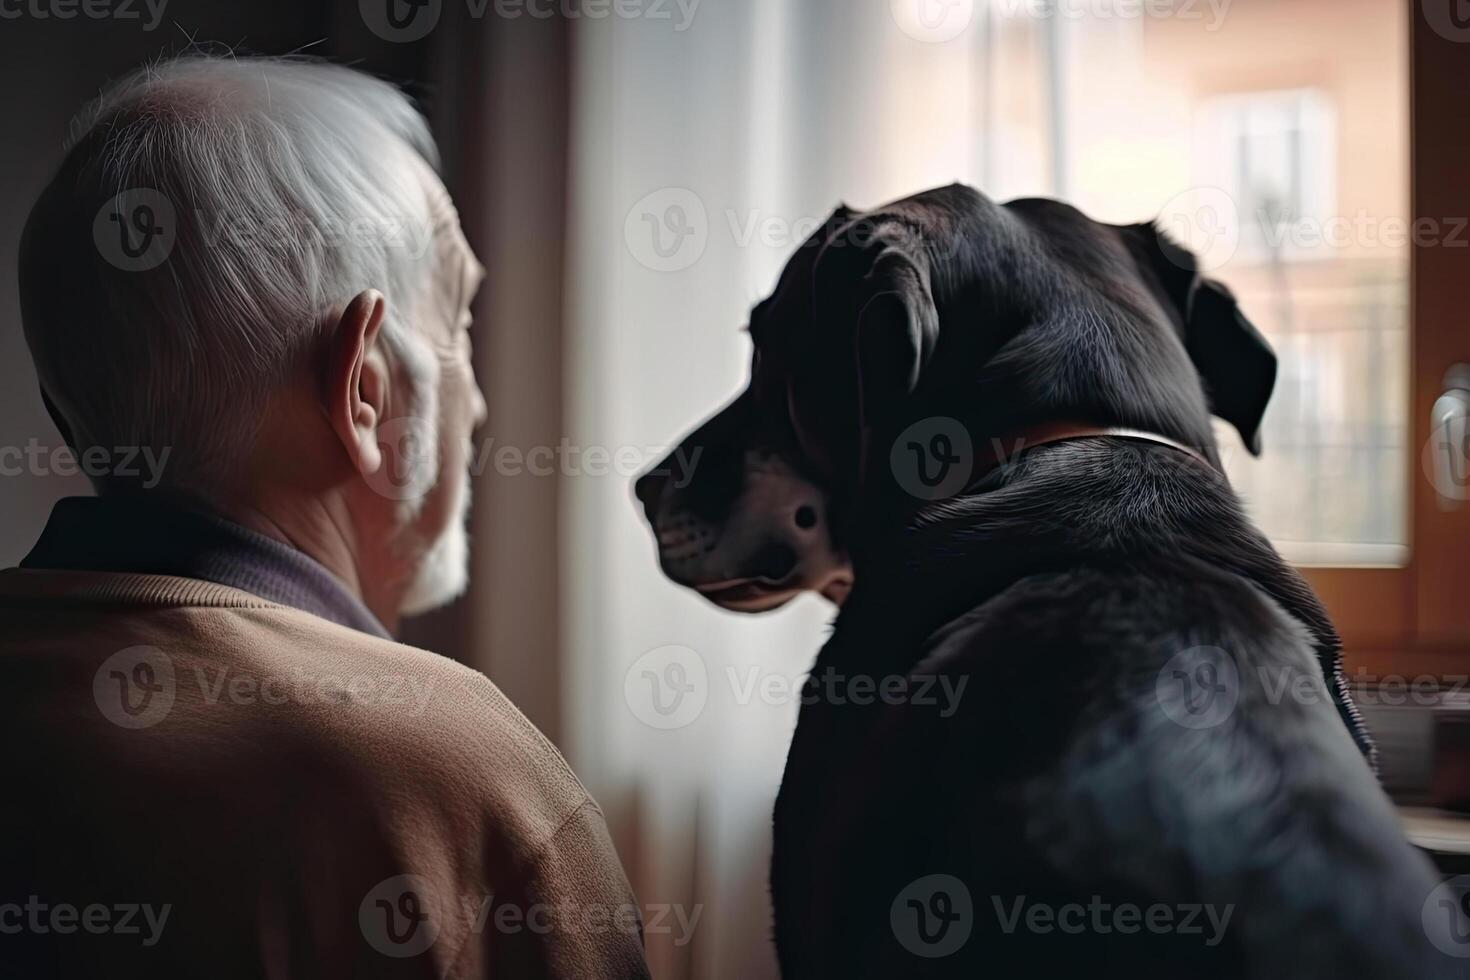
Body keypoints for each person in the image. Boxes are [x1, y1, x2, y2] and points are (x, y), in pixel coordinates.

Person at [2, 53, 649, 979]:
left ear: (64, 412)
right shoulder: (452, 775)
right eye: (459, 320)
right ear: (364, 392)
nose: (480, 406)